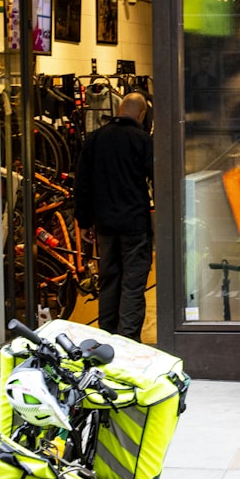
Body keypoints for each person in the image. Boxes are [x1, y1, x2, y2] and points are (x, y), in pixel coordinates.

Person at [75, 92, 153, 341]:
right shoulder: (142, 140)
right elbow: (157, 179)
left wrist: (84, 221)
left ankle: (107, 334)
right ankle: (127, 340)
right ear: (141, 115)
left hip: (105, 224)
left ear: (119, 110)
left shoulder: (95, 139)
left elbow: (82, 184)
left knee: (108, 280)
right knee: (133, 283)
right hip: (135, 224)